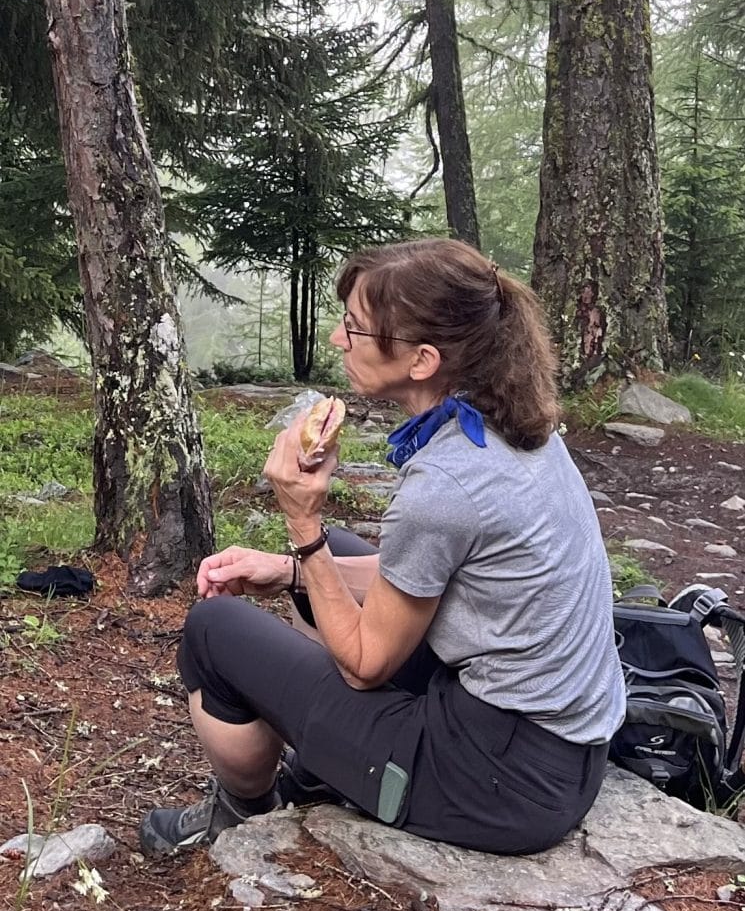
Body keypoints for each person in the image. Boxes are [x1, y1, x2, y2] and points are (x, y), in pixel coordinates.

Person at [139, 237, 625, 858]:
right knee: (334, 562)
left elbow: (365, 664)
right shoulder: (511, 421)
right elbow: (441, 573)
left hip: (494, 785)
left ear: (422, 360)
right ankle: (332, 764)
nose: (340, 341)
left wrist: (303, 527)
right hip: (557, 750)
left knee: (213, 630)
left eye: (355, 329)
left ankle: (246, 816)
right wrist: (291, 570)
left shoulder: (447, 482)